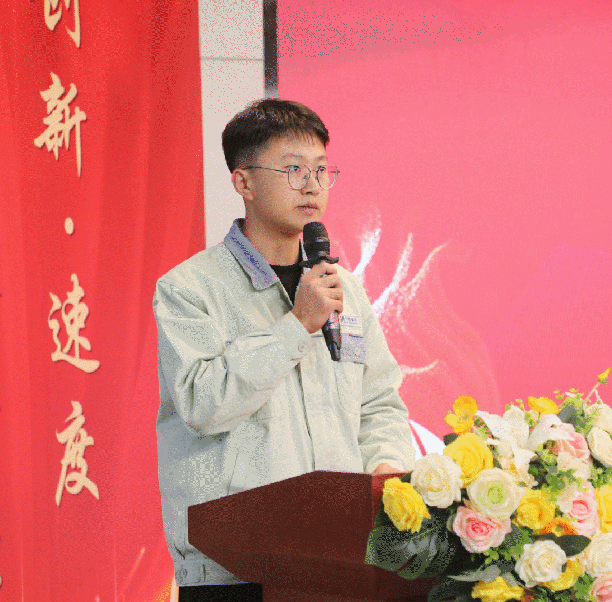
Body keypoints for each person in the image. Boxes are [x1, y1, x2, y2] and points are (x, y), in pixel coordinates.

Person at [153, 99, 415, 602]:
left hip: (338, 558)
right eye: (293, 169)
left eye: (321, 170)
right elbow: (203, 404)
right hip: (234, 570)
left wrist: (386, 473)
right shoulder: (189, 288)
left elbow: (379, 403)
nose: (311, 185)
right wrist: (296, 326)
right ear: (243, 182)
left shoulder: (344, 289)